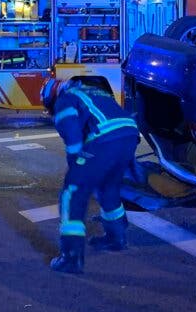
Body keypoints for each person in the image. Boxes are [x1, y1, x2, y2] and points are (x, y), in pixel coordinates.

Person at [41, 78, 139, 274]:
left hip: (105, 139)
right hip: (129, 135)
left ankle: (71, 257)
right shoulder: (91, 91)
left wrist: (76, 171)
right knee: (108, 188)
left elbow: (73, 140)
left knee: (72, 193)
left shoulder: (64, 100)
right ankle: (116, 238)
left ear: (51, 97)